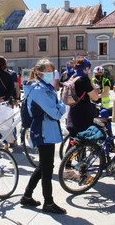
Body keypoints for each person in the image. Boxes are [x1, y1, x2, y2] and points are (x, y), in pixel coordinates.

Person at [20, 58, 66, 214]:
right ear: (39, 73)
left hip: (45, 131)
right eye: (48, 72)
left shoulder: (43, 87)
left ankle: (26, 196)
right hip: (44, 131)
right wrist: (62, 104)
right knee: (47, 169)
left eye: (52, 71)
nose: (51, 74)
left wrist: (56, 104)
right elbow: (55, 113)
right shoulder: (40, 90)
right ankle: (49, 202)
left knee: (43, 166)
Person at [66, 56, 100, 137]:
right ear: (86, 68)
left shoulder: (72, 77)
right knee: (82, 143)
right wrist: (91, 80)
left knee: (73, 143)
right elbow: (95, 97)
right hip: (83, 115)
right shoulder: (84, 80)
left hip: (72, 113)